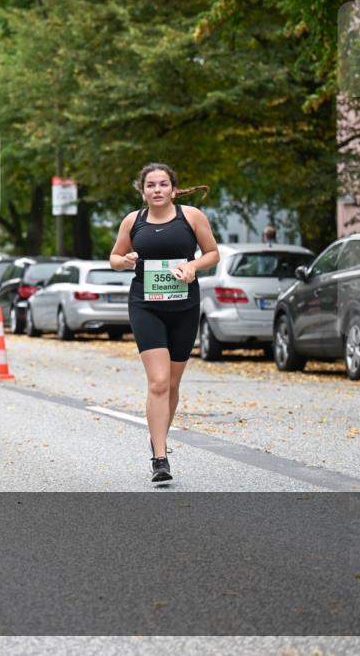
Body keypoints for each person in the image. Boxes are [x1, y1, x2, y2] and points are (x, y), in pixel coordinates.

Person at [110, 163, 219, 483]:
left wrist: (193, 266)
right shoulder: (134, 221)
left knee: (171, 383)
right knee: (158, 382)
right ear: (142, 191)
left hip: (184, 305)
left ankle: (158, 435)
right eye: (150, 185)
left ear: (173, 188)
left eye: (162, 184)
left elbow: (212, 253)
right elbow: (114, 256)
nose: (157, 190)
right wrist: (126, 260)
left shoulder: (192, 216)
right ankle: (160, 456)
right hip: (146, 305)